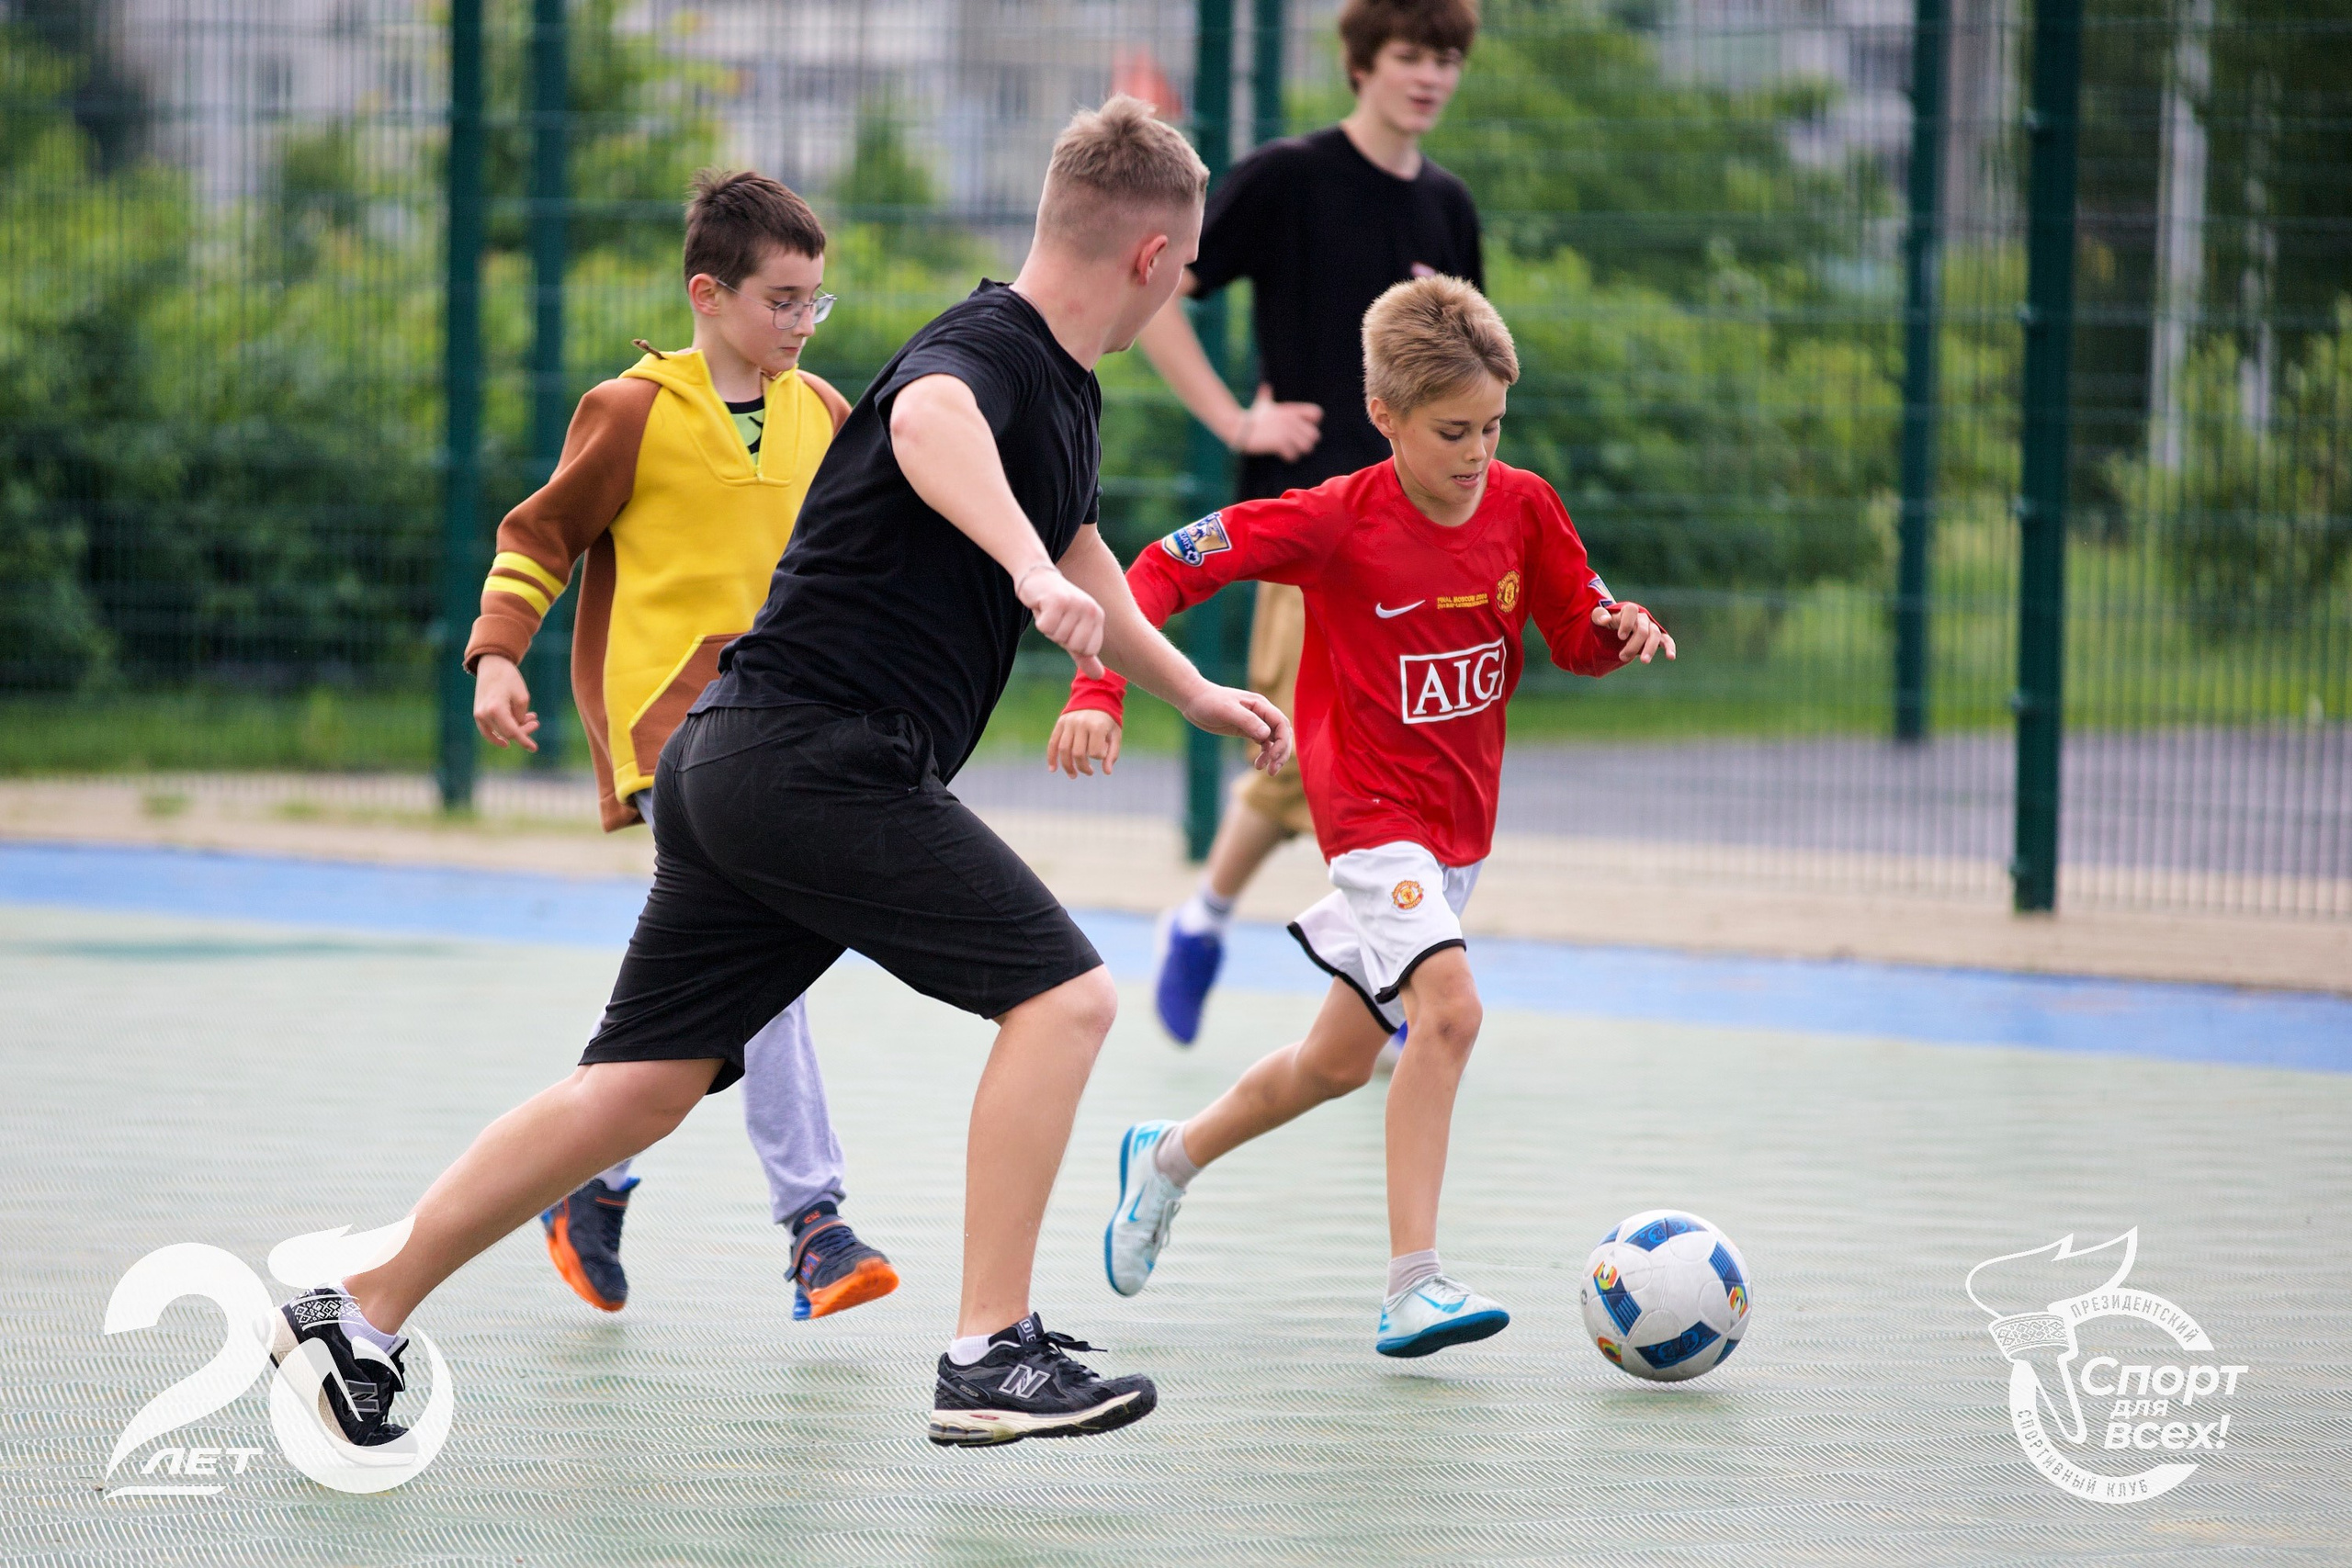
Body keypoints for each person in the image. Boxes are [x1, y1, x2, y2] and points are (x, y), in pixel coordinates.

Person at [269, 97, 1290, 1452]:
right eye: (1192, 265)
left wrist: (1192, 687)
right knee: (1066, 997)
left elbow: (1080, 540)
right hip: (819, 753)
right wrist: (1027, 570)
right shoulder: (980, 353)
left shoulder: (1057, 386)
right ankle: (991, 1346)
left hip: (736, 759)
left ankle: (361, 1303)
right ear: (1156, 261)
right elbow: (930, 423)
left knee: (635, 1085)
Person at [1050, 276, 1673, 1358]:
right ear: (1383, 418)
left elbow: (1572, 629)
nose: (1477, 452)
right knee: (1452, 1012)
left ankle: (1166, 1160)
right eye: (1450, 432)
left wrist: (1617, 632)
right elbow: (1151, 569)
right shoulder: (1332, 521)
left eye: (1491, 426)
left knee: (1335, 1064)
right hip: (1372, 822)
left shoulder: (1525, 505)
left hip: (1456, 838)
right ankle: (1410, 1284)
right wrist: (1099, 687)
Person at [463, 169, 898, 1325]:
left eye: (817, 303)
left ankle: (589, 1183)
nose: (803, 325)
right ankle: (815, 1225)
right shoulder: (632, 410)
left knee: (730, 981)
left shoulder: (825, 415)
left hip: (789, 731)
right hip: (676, 738)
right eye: (784, 301)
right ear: (710, 294)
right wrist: (498, 653)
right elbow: (540, 535)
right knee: (777, 969)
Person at [1132, 0, 1484, 1045]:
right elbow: (1153, 295)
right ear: (1363, 63)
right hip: (1321, 533)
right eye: (1412, 56)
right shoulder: (1288, 178)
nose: (1430, 76)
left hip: (1424, 540)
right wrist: (1236, 416)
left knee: (1368, 760)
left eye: (1447, 60)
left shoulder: (1449, 210)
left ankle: (1207, 922)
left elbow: (1470, 377)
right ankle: (1375, 984)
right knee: (1318, 754)